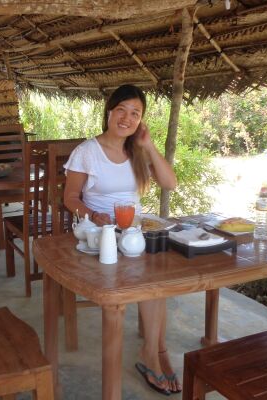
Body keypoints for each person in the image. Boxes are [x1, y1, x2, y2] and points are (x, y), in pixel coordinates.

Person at [63, 84, 180, 395]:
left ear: (140, 120)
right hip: (100, 237)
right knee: (148, 279)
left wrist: (150, 145)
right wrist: (92, 213)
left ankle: (154, 351)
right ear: (109, 112)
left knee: (157, 280)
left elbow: (170, 183)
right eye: (122, 110)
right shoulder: (87, 152)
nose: (127, 118)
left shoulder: (137, 151)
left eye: (135, 113)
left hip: (134, 231)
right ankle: (155, 353)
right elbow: (70, 198)